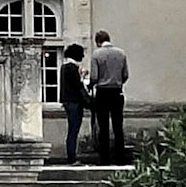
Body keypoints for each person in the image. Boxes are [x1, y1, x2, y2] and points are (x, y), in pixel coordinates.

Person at [87, 30, 130, 163]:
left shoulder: (97, 54)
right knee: (118, 126)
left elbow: (94, 76)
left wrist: (90, 85)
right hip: (117, 91)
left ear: (98, 42)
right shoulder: (121, 53)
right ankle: (120, 158)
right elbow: (125, 75)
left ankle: (104, 158)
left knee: (103, 127)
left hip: (102, 92)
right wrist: (117, 81)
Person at [53, 35, 89, 163]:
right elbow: (78, 86)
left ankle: (71, 156)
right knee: (74, 130)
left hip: (67, 101)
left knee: (72, 129)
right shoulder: (72, 68)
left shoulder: (64, 67)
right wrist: (83, 77)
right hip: (74, 102)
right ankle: (71, 157)